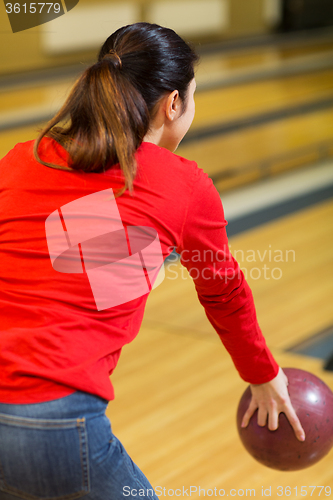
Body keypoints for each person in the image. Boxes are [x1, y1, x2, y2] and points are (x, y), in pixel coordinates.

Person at [0, 22, 304, 500]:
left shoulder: (24, 157)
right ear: (174, 104)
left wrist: (142, 267)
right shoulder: (182, 183)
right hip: (52, 424)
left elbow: (55, 268)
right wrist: (263, 374)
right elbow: (223, 292)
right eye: (193, 97)